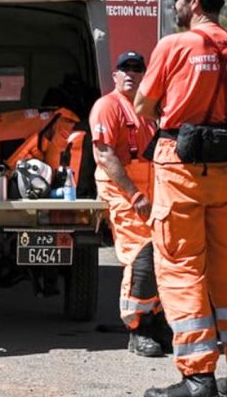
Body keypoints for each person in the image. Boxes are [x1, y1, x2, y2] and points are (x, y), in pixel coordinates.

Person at [135, 0, 227, 397]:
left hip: (181, 169)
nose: (174, 5)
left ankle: (198, 378)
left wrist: (175, 108)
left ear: (194, 0)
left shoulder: (174, 45)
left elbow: (143, 105)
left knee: (182, 268)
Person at [89, 50, 169, 357]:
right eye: (125, 68)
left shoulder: (148, 110)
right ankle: (137, 329)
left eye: (137, 68)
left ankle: (157, 321)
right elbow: (106, 155)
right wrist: (135, 195)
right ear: (115, 75)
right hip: (124, 192)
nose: (131, 73)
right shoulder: (107, 106)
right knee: (142, 255)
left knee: (164, 256)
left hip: (152, 192)